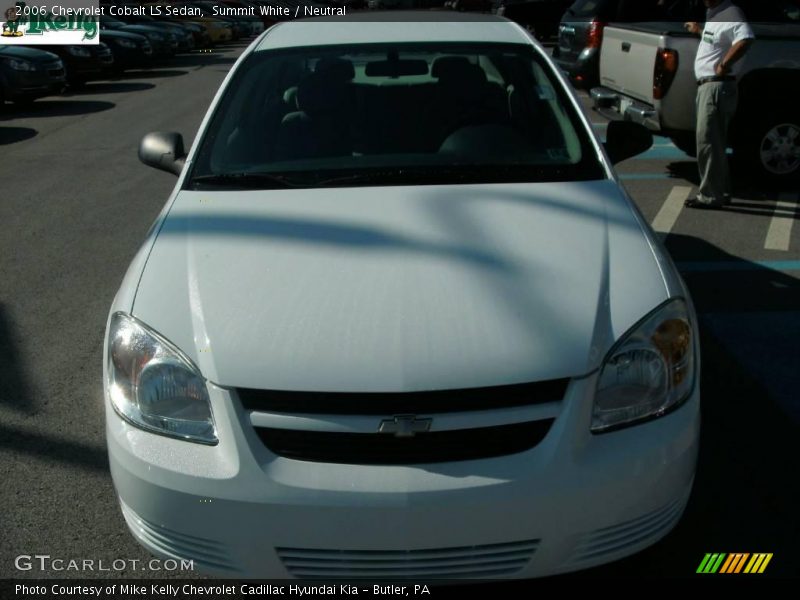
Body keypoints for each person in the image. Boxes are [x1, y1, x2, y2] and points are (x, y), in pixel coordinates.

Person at [684, 0, 754, 209]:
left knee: (708, 142)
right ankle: (721, 191)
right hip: (710, 87)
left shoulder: (731, 12)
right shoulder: (714, 13)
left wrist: (723, 65)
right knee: (714, 142)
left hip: (716, 86)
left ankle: (710, 196)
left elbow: (745, 38)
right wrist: (699, 31)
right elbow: (717, 41)